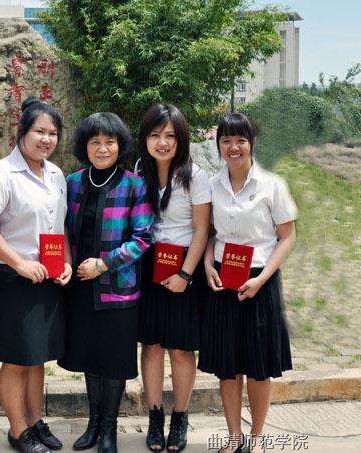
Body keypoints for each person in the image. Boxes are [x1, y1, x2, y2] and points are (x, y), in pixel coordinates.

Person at [0, 97, 72, 453]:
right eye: (39, 131)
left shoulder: (56, 174)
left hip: (48, 278)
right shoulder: (3, 173)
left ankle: (35, 421)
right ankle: (17, 430)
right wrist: (18, 263)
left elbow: (60, 226)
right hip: (13, 280)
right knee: (17, 359)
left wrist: (67, 262)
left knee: (37, 356)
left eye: (52, 133)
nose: (46, 139)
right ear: (22, 133)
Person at [198, 112, 297, 453]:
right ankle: (233, 437)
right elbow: (209, 232)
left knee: (258, 367)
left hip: (260, 281)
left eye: (240, 140)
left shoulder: (272, 185)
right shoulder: (211, 185)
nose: (233, 147)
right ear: (218, 145)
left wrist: (262, 279)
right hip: (223, 280)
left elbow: (287, 237)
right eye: (226, 140)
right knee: (227, 367)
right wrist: (207, 264)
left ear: (252, 143)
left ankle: (256, 438)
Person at [58, 112, 154, 453]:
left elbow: (143, 238)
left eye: (109, 142)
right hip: (81, 287)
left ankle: (110, 428)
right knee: (90, 356)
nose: (102, 148)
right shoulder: (72, 182)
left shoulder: (134, 185)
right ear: (85, 146)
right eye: (95, 142)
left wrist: (104, 265)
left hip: (117, 288)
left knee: (113, 360)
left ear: (120, 145)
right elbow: (61, 229)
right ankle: (93, 423)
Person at [135, 103, 211, 452]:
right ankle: (155, 415)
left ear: (181, 139)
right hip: (150, 263)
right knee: (151, 345)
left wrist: (185, 274)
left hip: (183, 264)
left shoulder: (195, 175)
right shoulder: (141, 170)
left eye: (169, 135)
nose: (162, 142)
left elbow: (201, 230)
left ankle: (180, 416)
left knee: (180, 348)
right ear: (145, 139)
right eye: (155, 135)